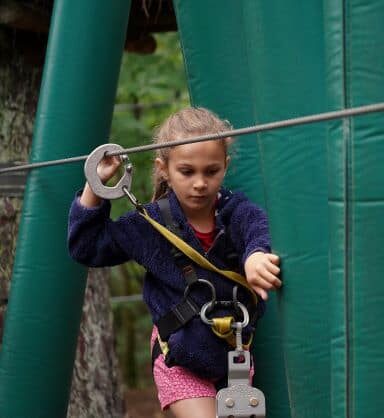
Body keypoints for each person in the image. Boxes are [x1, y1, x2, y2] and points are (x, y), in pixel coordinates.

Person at [68, 107, 281, 418]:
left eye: (211, 171)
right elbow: (87, 248)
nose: (199, 183)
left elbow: (254, 229)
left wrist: (255, 256)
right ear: (164, 168)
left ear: (225, 166)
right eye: (187, 171)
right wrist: (95, 188)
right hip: (179, 357)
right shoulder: (150, 225)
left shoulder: (235, 211)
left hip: (233, 354)